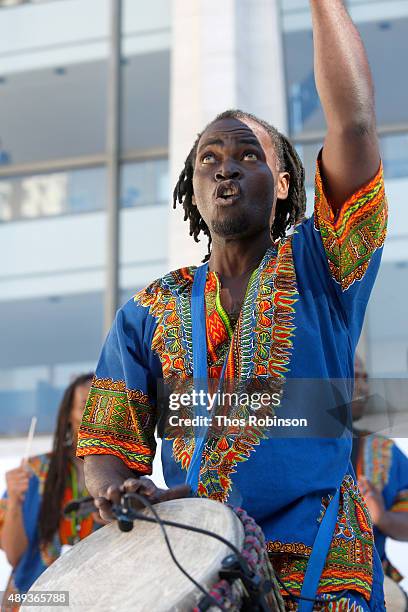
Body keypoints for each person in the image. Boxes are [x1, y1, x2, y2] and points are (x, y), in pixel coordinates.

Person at [78, 1, 388, 609]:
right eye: (209, 159)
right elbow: (108, 444)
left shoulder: (321, 264)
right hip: (201, 563)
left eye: (248, 156)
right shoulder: (147, 310)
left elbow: (352, 128)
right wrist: (118, 489)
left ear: (283, 185)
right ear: (192, 187)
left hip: (322, 564)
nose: (225, 170)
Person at [0, 373, 103, 609]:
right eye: (85, 405)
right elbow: (14, 556)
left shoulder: (124, 476)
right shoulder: (35, 472)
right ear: (68, 416)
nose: (94, 416)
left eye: (101, 407)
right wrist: (14, 501)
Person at [352, 355, 408, 584]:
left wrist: (382, 517)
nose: (364, 387)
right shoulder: (296, 444)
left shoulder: (384, 450)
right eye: (354, 377)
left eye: (364, 378)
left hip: (373, 582)